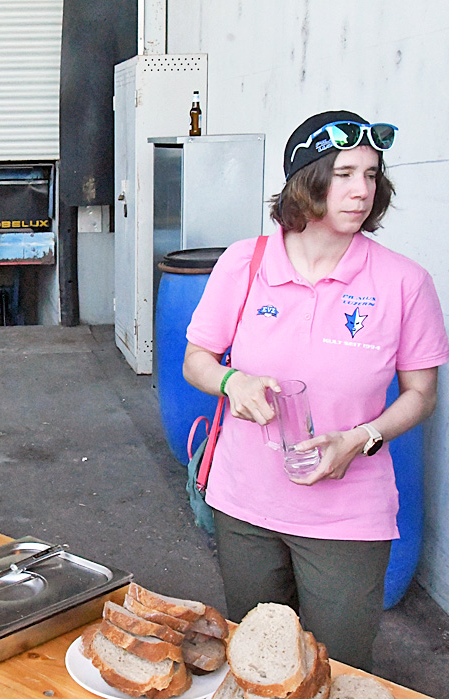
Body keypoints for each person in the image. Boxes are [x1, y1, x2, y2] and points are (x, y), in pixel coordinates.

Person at [182, 110, 449, 670]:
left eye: (371, 175)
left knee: (337, 667)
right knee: (260, 659)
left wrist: (361, 438)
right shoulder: (245, 263)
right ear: (307, 182)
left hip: (347, 515)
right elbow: (196, 361)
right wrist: (232, 381)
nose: (362, 191)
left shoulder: (405, 282)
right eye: (345, 174)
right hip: (244, 504)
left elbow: (421, 394)